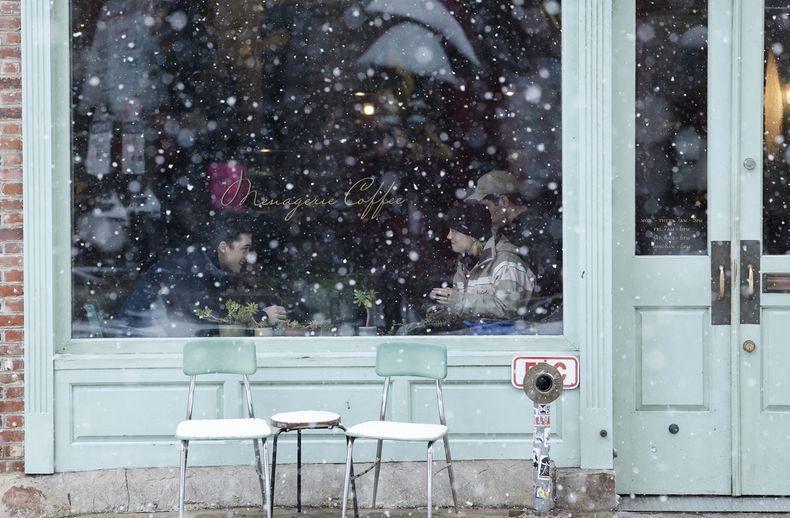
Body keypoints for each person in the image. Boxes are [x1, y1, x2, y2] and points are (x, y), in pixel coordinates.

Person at [118, 217, 287, 336]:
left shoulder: (205, 266)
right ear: (223, 247)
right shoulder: (187, 268)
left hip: (161, 338)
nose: (249, 256)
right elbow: (204, 318)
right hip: (141, 340)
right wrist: (261, 317)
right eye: (244, 249)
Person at [465, 169, 562, 318]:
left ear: (503, 201)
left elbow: (546, 280)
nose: (483, 212)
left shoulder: (531, 230)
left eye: (486, 206)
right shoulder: (519, 227)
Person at [430, 202, 535, 321]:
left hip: (503, 339)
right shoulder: (465, 264)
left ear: (472, 234)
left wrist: (459, 300)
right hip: (476, 337)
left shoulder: (506, 263)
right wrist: (445, 313)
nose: (448, 236)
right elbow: (469, 312)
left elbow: (508, 310)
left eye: (454, 231)